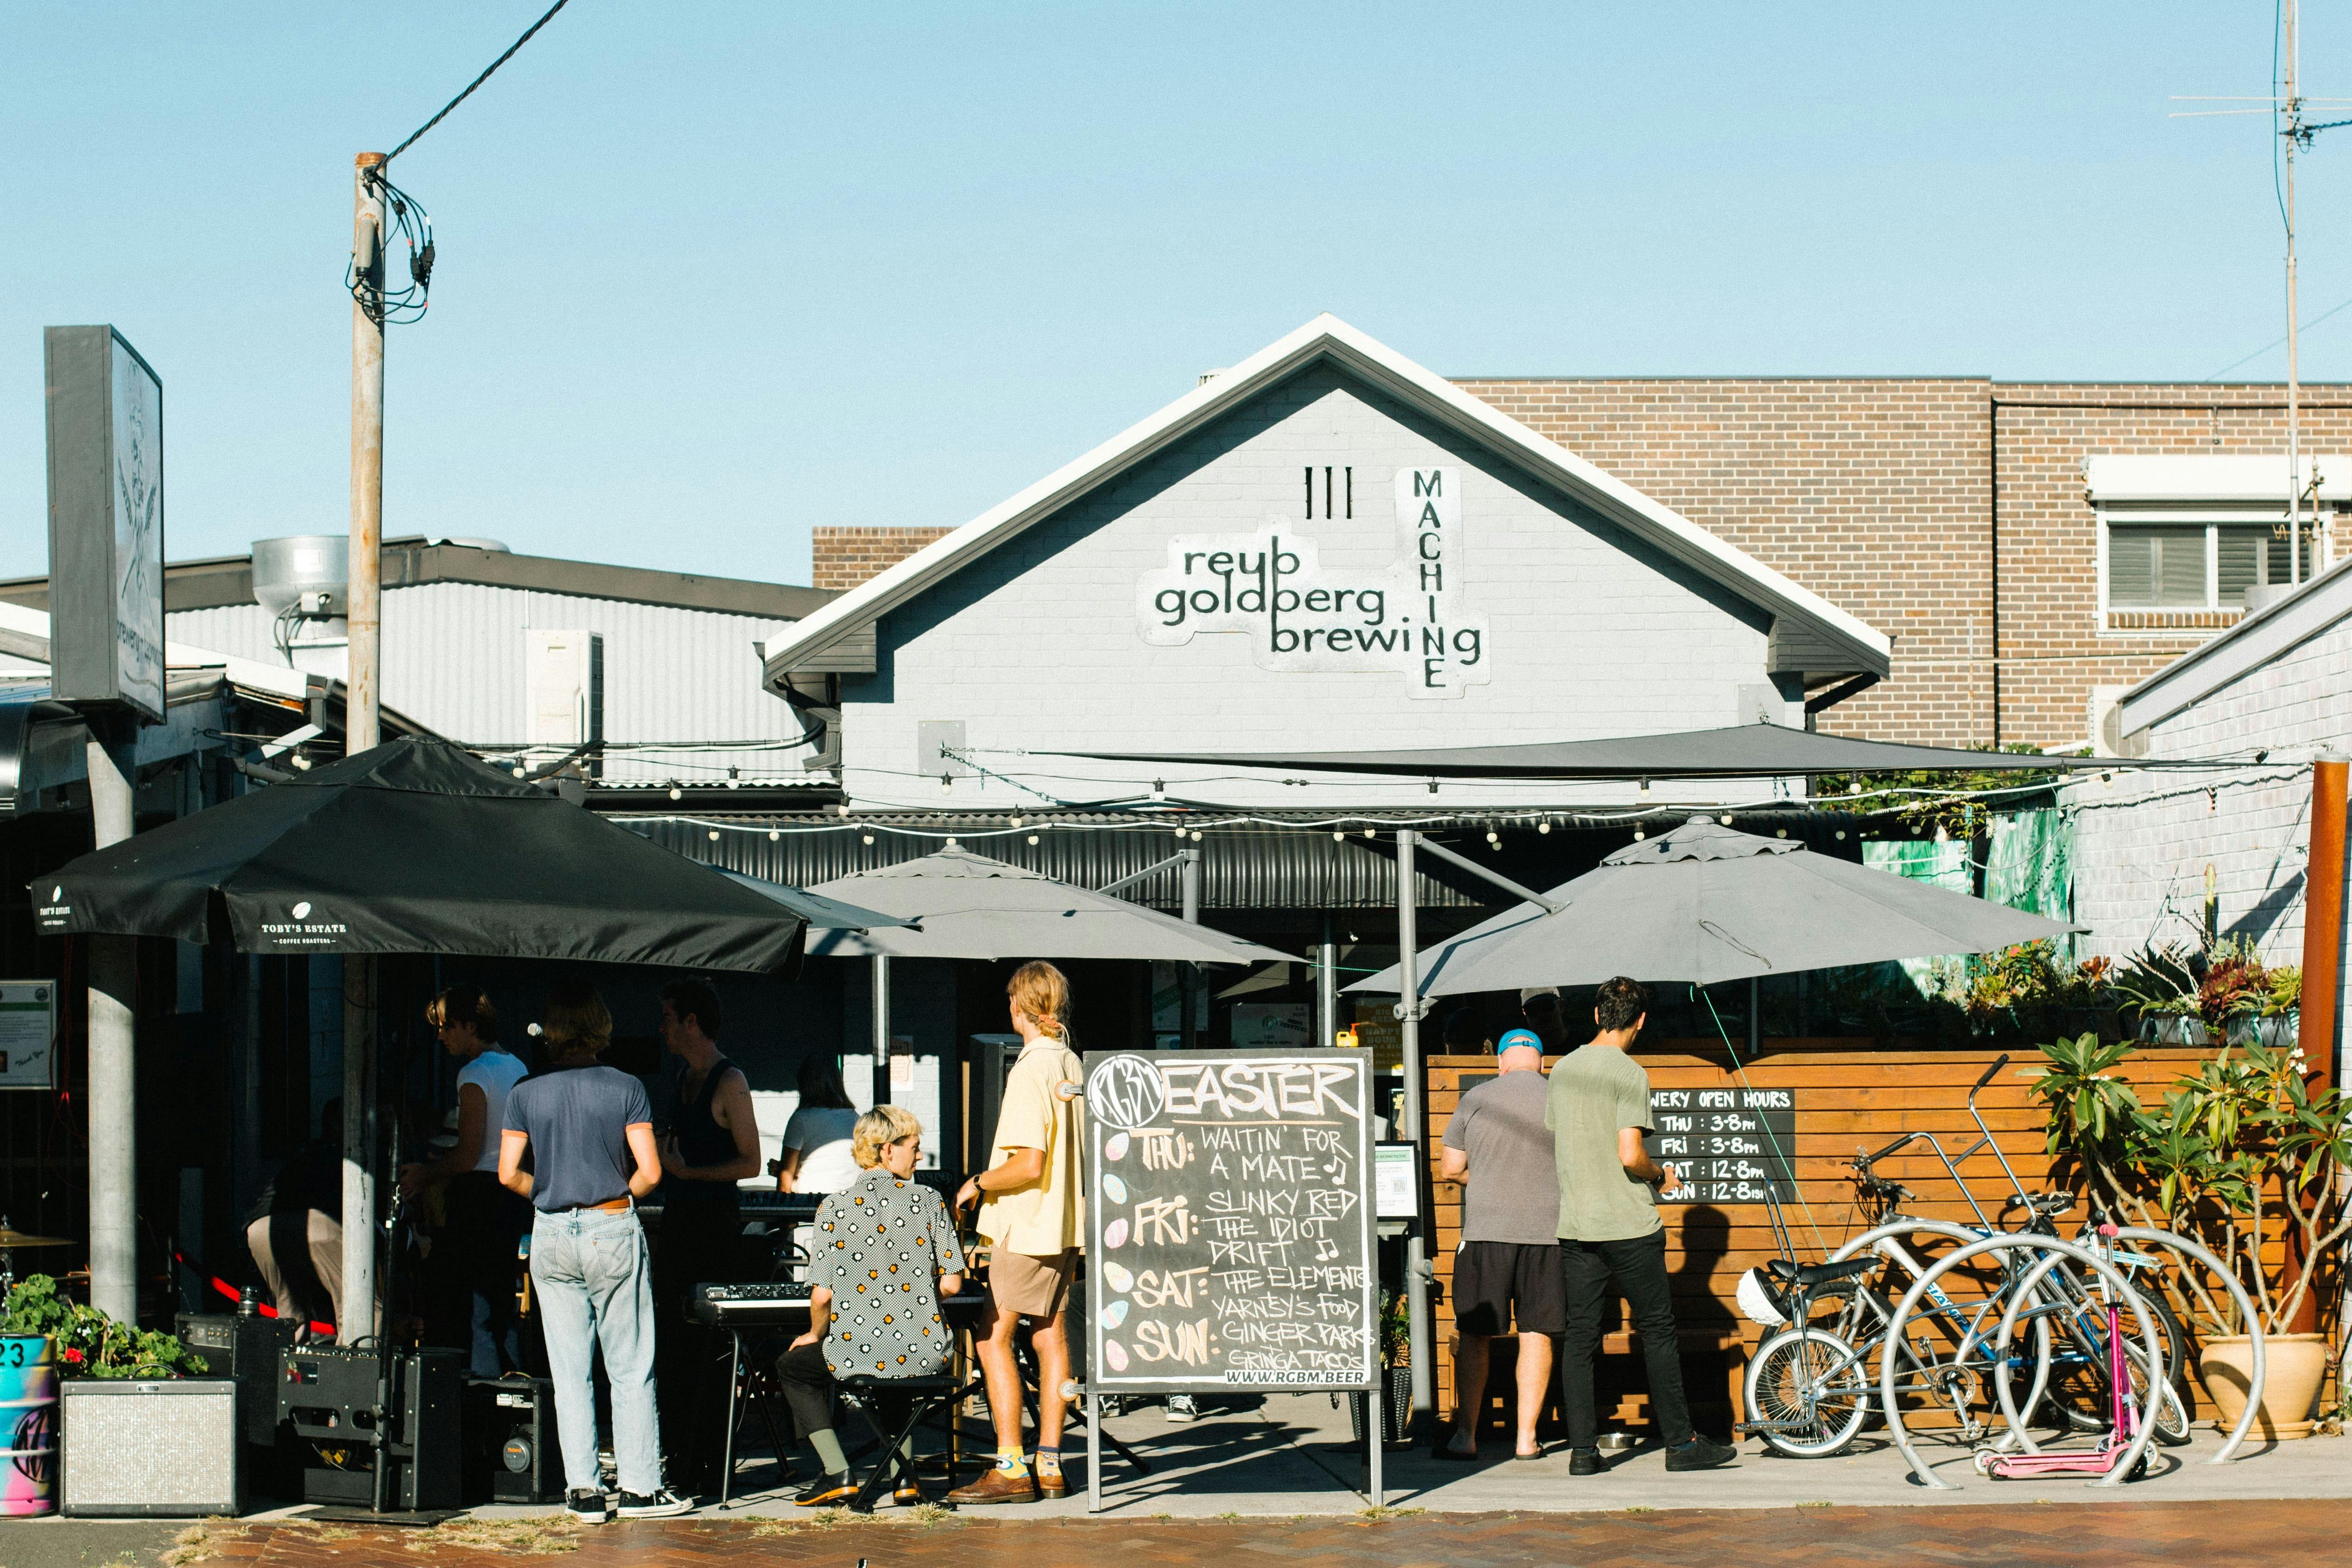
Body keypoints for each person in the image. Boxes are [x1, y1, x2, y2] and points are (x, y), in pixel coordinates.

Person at [498, 978, 694, 1523]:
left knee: (569, 1368)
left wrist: (548, 1194)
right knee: (629, 1364)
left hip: (551, 1231)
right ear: (599, 1026)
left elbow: (508, 1172)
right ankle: (638, 1488)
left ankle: (583, 1489)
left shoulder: (524, 1093)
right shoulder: (625, 1086)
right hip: (610, 1225)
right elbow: (651, 1173)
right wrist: (614, 1195)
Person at [1546, 976, 1735, 1475]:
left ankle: (1583, 1452)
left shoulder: (1562, 1069)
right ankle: (1681, 1444)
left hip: (1577, 1224)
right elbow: (1630, 1154)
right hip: (1628, 1225)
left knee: (1581, 1337)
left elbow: (1563, 1139)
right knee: (1656, 1331)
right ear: (1641, 1020)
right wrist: (1661, 1176)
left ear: (1594, 1016)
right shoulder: (1629, 1072)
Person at [775, 1105, 966, 1506]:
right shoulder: (930, 1200)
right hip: (926, 1350)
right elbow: (952, 1282)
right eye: (913, 1147)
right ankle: (905, 1481)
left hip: (858, 1349)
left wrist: (814, 1333)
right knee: (897, 1364)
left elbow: (822, 1295)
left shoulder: (834, 1207)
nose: (919, 1156)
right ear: (885, 1151)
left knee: (791, 1368)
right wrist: (913, 1296)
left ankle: (837, 1472)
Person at [949, 961, 1085, 1505]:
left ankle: (1009, 1465)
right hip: (1063, 1223)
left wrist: (977, 1183)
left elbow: (1028, 1163)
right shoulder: (1070, 1062)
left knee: (991, 1334)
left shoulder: (1030, 1069)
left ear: (1018, 1006)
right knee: (1050, 1334)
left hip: (1026, 1222)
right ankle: (1049, 1464)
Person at [651, 979, 763, 1496]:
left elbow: (751, 1161)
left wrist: (690, 1173)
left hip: (713, 1232)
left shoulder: (729, 1080)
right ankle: (678, 1459)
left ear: (692, 1021)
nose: (663, 1027)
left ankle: (709, 1464)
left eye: (670, 1016)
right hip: (677, 1227)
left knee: (710, 1351)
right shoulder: (681, 1078)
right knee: (673, 1347)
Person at [1435, 1027, 1562, 1462]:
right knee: (1537, 1332)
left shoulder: (1477, 1097)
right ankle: (1527, 1438)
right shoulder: (1561, 1097)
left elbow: (1451, 1168)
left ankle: (1465, 1435)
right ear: (1542, 1063)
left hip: (1487, 1231)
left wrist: (1488, 1179)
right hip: (1549, 1234)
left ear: (1502, 1061)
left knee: (1475, 1334)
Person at [398, 986, 532, 1375]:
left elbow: (470, 1152)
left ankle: (472, 1398)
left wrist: (427, 1173)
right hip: (510, 1195)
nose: (440, 1036)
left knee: (467, 1308)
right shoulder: (517, 1066)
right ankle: (510, 1392)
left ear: (471, 1025)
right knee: (498, 1304)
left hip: (478, 1196)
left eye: (446, 1027)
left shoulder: (474, 1072)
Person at [244, 1099, 345, 1337]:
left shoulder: (303, 1156)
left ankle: (292, 1358)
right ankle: (355, 1360)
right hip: (313, 1228)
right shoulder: (347, 1158)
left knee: (291, 1313)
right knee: (362, 1308)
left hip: (262, 1232)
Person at [775, 1054, 859, 1193]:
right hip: (851, 1201)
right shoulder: (856, 1118)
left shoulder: (801, 1119)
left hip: (809, 1204)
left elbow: (786, 1179)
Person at [1520, 987, 1569, 1053]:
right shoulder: (1524, 1054)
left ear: (1561, 1006)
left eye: (1546, 1006)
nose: (1540, 1015)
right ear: (1524, 1013)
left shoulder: (1583, 1046)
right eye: (1531, 1010)